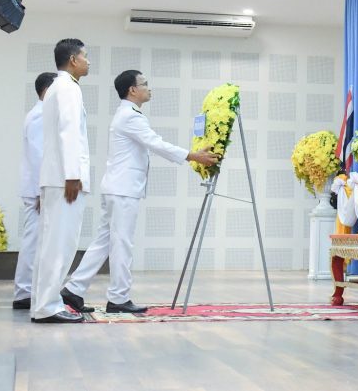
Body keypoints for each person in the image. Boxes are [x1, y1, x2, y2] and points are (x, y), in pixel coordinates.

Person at [61, 70, 217, 313]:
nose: (148, 88)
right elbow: (156, 143)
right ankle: (118, 298)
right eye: (144, 84)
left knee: (104, 242)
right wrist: (193, 156)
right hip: (123, 190)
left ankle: (73, 290)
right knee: (121, 244)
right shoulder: (131, 117)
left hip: (117, 188)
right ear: (132, 90)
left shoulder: (127, 114)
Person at [30, 38, 91, 324]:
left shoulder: (58, 86)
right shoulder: (68, 87)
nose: (88, 62)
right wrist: (73, 176)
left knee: (50, 247)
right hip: (64, 179)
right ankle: (48, 307)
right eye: (85, 56)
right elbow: (69, 132)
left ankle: (42, 304)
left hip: (55, 178)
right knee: (60, 247)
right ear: (73, 60)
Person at [12, 71, 57, 310]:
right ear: (47, 91)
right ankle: (24, 292)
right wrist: (42, 190)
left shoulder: (41, 114)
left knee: (38, 241)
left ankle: (28, 290)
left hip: (40, 188)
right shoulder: (40, 115)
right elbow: (40, 155)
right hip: (38, 190)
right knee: (34, 240)